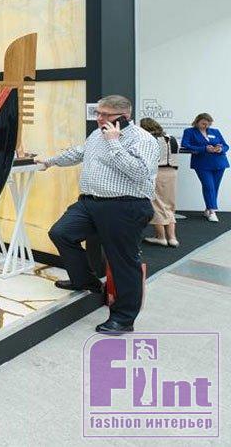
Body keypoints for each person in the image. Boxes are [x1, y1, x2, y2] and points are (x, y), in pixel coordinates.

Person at [37, 95, 159, 335]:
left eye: (105, 115)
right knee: (61, 233)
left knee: (123, 261)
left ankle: (123, 319)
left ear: (124, 117)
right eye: (98, 113)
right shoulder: (96, 134)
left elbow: (140, 172)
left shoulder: (143, 139)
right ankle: (86, 281)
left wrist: (114, 142)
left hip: (125, 206)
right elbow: (78, 153)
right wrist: (50, 161)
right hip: (90, 203)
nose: (99, 118)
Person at [181, 113, 228, 222]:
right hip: (202, 163)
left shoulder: (215, 131)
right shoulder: (189, 131)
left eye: (208, 124)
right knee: (208, 186)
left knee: (214, 187)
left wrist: (220, 149)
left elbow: (225, 145)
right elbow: (185, 144)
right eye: (203, 123)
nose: (206, 126)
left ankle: (208, 209)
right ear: (197, 122)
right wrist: (204, 148)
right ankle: (212, 211)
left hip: (219, 163)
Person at [140, 117, 179, 247]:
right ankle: (172, 238)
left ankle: (161, 237)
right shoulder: (171, 138)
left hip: (157, 172)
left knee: (156, 204)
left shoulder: (149, 139)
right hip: (172, 172)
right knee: (169, 205)